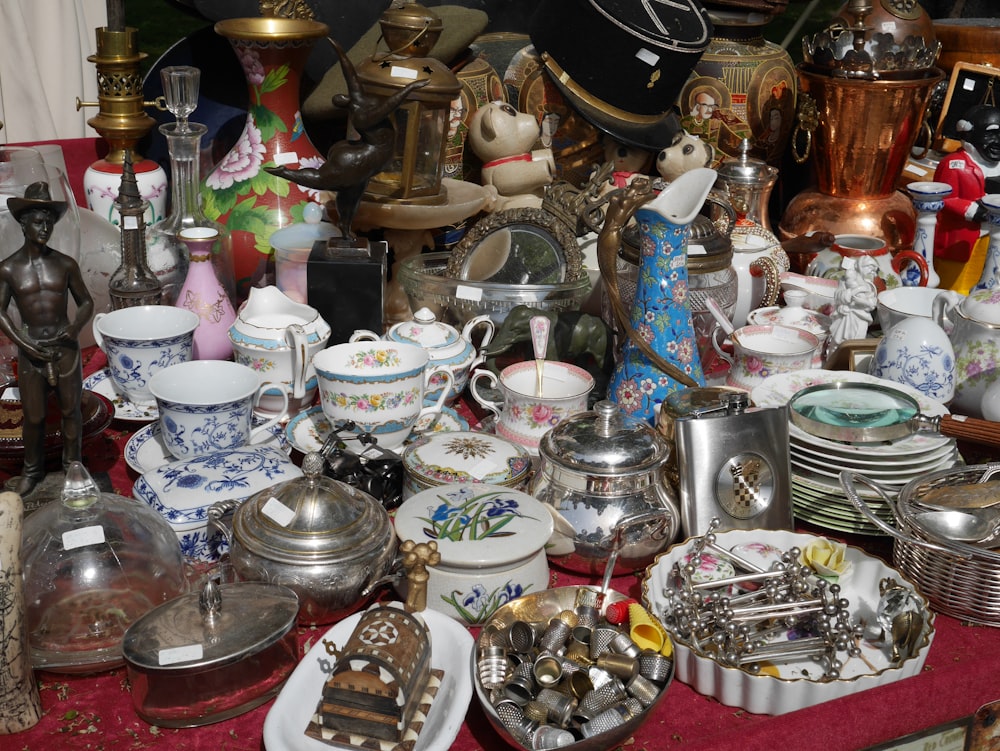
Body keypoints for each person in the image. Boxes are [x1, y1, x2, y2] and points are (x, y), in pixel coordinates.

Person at [0, 182, 94, 496]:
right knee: (35, 416)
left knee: (71, 411)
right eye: (38, 222)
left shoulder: (65, 264)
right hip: (31, 352)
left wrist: (75, 327)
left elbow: (86, 302)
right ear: (23, 225)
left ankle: (73, 466)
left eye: (49, 223)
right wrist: (22, 343)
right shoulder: (9, 269)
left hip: (65, 350)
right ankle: (32, 470)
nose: (45, 228)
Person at [932, 103, 1000, 290]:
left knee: (986, 277)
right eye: (991, 133)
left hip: (992, 235)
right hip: (961, 238)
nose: (997, 140)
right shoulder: (953, 164)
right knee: (955, 282)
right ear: (968, 133)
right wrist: (974, 211)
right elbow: (943, 197)